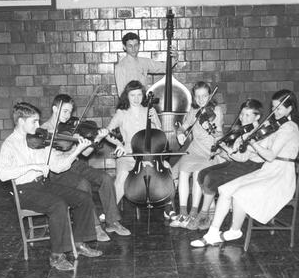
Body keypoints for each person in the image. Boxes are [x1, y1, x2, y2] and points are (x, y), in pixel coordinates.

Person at [0, 102, 103, 271]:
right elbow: (2, 174)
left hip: (43, 185)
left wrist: (77, 151)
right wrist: (32, 166)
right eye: (34, 121)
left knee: (83, 198)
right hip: (24, 190)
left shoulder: (38, 140)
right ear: (21, 122)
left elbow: (58, 167)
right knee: (58, 205)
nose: (39, 126)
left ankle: (79, 242)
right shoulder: (9, 145)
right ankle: (56, 256)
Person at [190, 90, 299, 247]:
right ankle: (212, 233)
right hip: (268, 170)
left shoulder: (288, 128)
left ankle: (235, 230)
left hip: (280, 175)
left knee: (240, 192)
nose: (275, 112)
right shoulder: (276, 126)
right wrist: (245, 145)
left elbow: (270, 156)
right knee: (225, 189)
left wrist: (252, 143)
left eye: (279, 108)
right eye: (274, 107)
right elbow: (261, 149)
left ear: (290, 109)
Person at [41, 94, 131, 239]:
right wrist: (72, 147)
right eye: (64, 111)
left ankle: (112, 221)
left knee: (106, 178)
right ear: (54, 109)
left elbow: (87, 152)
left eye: (70, 112)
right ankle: (94, 226)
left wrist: (98, 138)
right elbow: (53, 162)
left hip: (76, 165)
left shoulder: (70, 129)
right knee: (83, 185)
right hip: (57, 172)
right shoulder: (44, 131)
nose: (68, 115)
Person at [190, 98, 265, 231]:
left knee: (211, 178)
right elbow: (236, 154)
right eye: (241, 114)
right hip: (239, 163)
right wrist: (222, 152)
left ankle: (203, 214)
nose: (242, 118)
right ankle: (209, 213)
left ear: (257, 116)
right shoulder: (244, 130)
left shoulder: (256, 134)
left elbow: (242, 157)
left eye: (247, 115)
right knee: (203, 174)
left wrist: (227, 150)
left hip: (250, 167)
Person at [105, 80, 176, 215]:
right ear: (127, 96)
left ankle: (168, 206)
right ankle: (110, 211)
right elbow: (107, 132)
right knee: (122, 175)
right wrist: (119, 145)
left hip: (149, 153)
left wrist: (154, 121)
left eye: (139, 95)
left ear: (143, 96)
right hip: (128, 154)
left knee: (166, 167)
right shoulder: (122, 113)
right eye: (133, 95)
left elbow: (159, 134)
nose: (136, 99)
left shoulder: (150, 110)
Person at [168, 81, 224, 228]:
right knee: (183, 171)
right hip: (194, 149)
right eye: (197, 96)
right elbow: (184, 127)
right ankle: (183, 213)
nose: (201, 100)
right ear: (194, 96)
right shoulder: (193, 111)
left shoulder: (216, 110)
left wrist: (210, 129)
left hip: (210, 150)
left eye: (204, 96)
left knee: (198, 173)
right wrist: (180, 134)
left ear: (209, 95)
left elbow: (219, 134)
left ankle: (193, 213)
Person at [114, 32, 179, 96]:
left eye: (136, 45)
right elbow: (122, 94)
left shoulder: (144, 62)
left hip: (144, 103)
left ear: (139, 45)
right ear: (124, 47)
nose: (133, 49)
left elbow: (163, 68)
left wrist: (174, 58)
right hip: (130, 105)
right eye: (130, 46)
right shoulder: (120, 67)